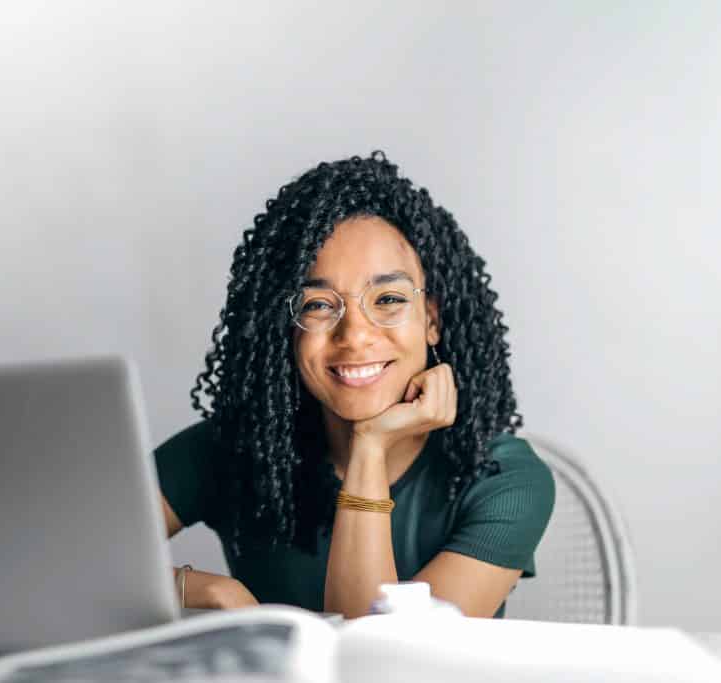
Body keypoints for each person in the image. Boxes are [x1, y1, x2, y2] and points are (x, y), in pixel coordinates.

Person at [155, 151, 554, 619]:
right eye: (318, 305)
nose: (356, 335)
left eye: (387, 299)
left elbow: (384, 664)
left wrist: (370, 446)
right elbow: (60, 563)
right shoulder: (233, 448)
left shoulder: (503, 480)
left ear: (432, 319)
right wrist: (204, 590)